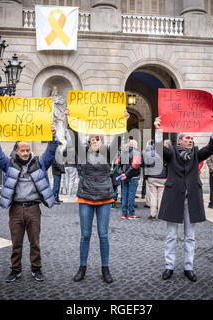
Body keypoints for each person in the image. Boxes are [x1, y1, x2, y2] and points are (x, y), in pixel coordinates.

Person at [65, 109, 129, 284]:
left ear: (102, 141)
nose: (95, 141)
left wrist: (123, 122)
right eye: (93, 139)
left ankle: (105, 268)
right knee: (85, 235)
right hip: (86, 197)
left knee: (103, 235)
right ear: (88, 141)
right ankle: (82, 267)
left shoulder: (108, 153)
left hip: (104, 198)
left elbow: (117, 139)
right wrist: (69, 119)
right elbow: (74, 136)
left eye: (98, 139)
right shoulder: (82, 153)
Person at [0, 125, 58, 283]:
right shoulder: (9, 163)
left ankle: (36, 268)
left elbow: (51, 153)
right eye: (22, 150)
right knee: (16, 242)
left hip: (33, 208)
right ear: (16, 151)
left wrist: (53, 137)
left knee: (35, 242)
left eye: (27, 150)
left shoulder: (39, 163)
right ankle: (15, 270)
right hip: (16, 209)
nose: (25, 153)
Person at [154, 116, 213, 282]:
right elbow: (160, 148)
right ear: (180, 141)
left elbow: (211, 148)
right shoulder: (172, 154)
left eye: (192, 138)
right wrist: (157, 130)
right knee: (171, 235)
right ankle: (169, 266)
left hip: (192, 199)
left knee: (190, 236)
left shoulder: (197, 154)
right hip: (173, 197)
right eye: (187, 138)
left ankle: (188, 267)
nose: (190, 141)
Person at [142, 140, 167, 220]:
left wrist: (146, 176)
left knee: (153, 196)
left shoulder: (148, 154)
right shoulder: (164, 154)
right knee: (161, 197)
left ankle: (152, 214)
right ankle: (161, 215)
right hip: (162, 177)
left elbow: (145, 166)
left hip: (152, 177)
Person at [118, 139, 142, 220]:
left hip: (124, 176)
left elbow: (118, 165)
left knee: (124, 195)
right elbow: (134, 166)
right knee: (131, 195)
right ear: (134, 145)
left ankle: (124, 214)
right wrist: (126, 174)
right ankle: (131, 213)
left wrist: (122, 174)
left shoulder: (123, 152)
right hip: (132, 177)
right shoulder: (137, 153)